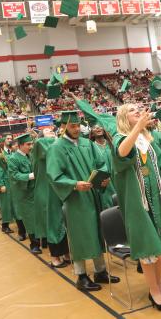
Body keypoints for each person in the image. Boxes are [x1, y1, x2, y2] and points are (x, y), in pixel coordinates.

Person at [113, 103, 161, 311]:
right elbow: (122, 153)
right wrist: (138, 128)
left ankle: (159, 287)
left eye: (138, 109)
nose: (138, 111)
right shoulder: (120, 138)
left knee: (160, 247)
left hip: (156, 198)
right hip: (138, 203)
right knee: (147, 248)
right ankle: (153, 292)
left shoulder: (146, 140)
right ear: (124, 118)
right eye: (132, 110)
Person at [46, 110, 119, 292]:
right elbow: (54, 175)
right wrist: (73, 184)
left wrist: (103, 177)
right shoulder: (57, 148)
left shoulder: (88, 143)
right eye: (72, 125)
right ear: (63, 127)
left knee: (96, 232)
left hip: (93, 195)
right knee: (80, 235)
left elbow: (101, 163)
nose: (77, 129)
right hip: (75, 198)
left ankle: (100, 271)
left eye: (78, 125)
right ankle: (81, 276)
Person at [32, 126, 69, 268]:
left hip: (59, 188)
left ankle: (66, 253)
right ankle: (55, 256)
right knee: (54, 223)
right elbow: (53, 150)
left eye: (52, 130)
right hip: (47, 190)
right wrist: (58, 139)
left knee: (65, 222)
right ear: (41, 135)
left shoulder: (57, 142)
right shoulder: (39, 144)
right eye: (47, 131)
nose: (51, 131)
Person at [8, 133, 42, 255]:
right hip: (24, 193)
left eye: (32, 144)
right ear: (20, 145)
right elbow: (14, 175)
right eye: (28, 144)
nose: (31, 146)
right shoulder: (13, 159)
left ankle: (41, 240)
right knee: (30, 218)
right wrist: (30, 176)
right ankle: (34, 244)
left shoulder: (30, 156)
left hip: (35, 191)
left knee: (38, 217)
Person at [0, 134, 17, 234]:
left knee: (15, 203)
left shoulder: (12, 151)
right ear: (3, 141)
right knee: (6, 204)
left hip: (14, 181)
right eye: (8, 138)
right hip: (5, 182)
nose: (10, 140)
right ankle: (5, 225)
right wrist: (0, 184)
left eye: (11, 138)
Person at [90, 124, 117, 210]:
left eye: (99, 126)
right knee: (109, 204)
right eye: (94, 127)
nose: (97, 128)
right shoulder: (91, 147)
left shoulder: (112, 143)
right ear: (92, 133)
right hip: (104, 181)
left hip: (116, 177)